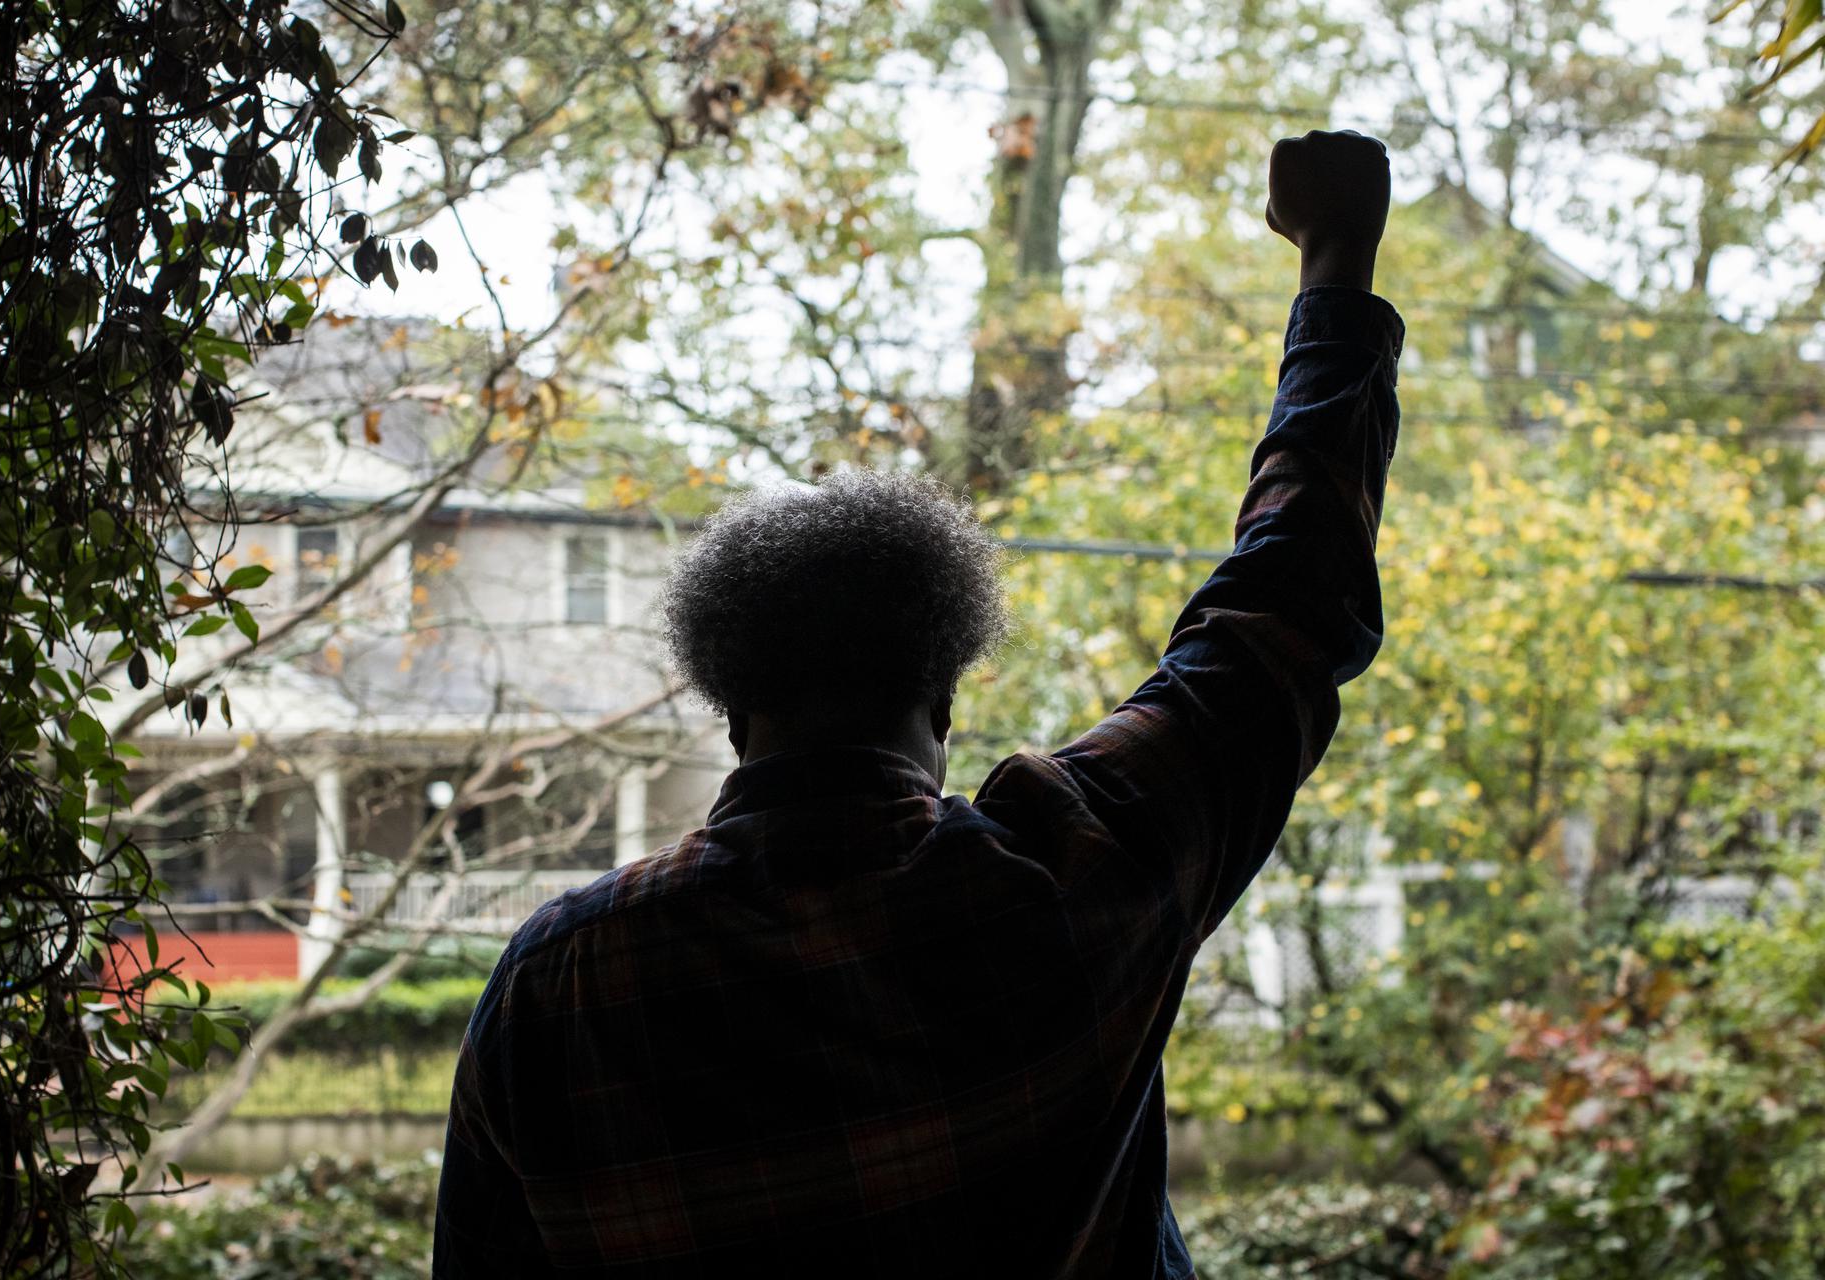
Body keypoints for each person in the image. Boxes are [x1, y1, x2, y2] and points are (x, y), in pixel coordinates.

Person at [434, 129, 1402, 1277]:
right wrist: (1335, 256)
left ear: (734, 711)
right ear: (942, 698)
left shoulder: (557, 981)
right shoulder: (1073, 881)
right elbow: (1280, 606)